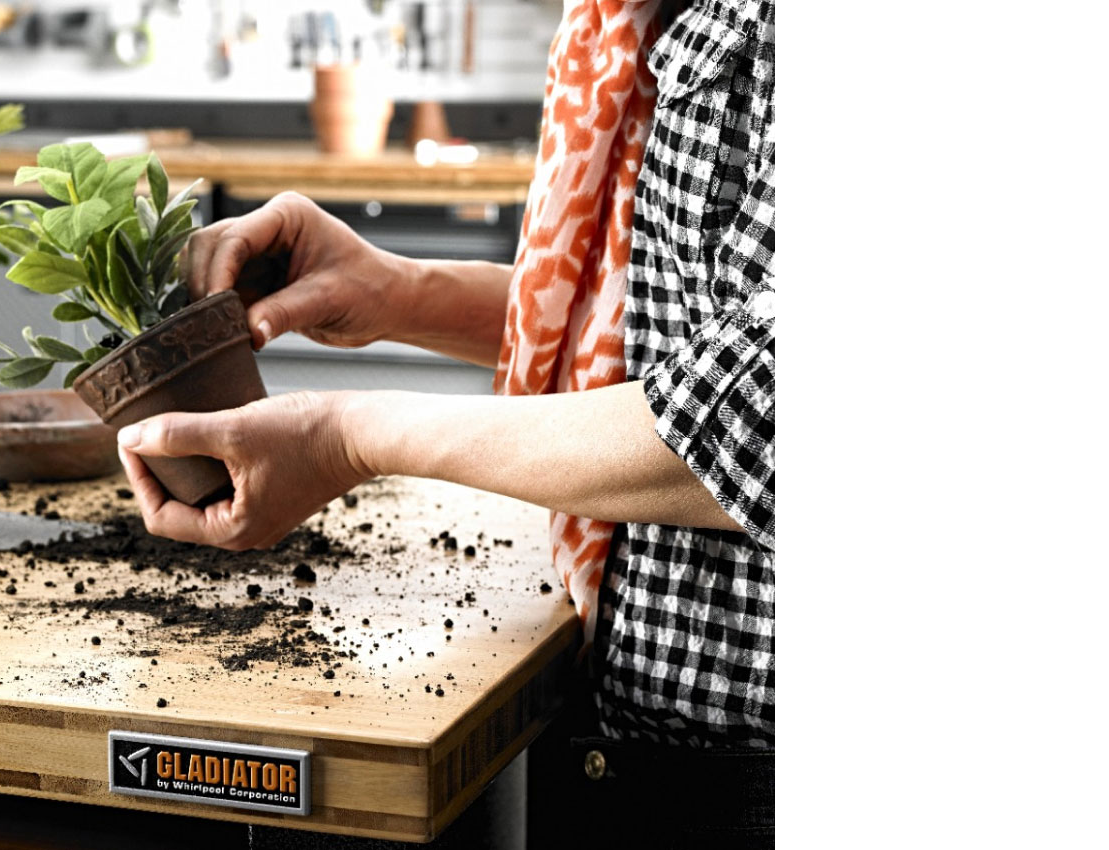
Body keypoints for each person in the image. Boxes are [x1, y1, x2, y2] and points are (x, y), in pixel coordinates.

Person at [117, 0, 772, 844]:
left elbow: (758, 422)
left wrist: (349, 438)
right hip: (620, 730)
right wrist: (396, 291)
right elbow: (667, 343)